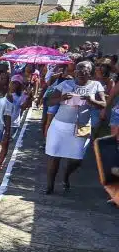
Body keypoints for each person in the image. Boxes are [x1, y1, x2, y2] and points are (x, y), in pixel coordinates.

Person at [45, 60, 108, 194]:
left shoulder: (96, 85)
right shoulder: (65, 84)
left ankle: (66, 176)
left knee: (77, 159)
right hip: (60, 125)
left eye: (84, 70)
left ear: (90, 73)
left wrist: (91, 101)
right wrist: (61, 98)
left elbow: (103, 104)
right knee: (54, 155)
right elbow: (50, 101)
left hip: (83, 126)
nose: (80, 72)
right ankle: (49, 186)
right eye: (78, 69)